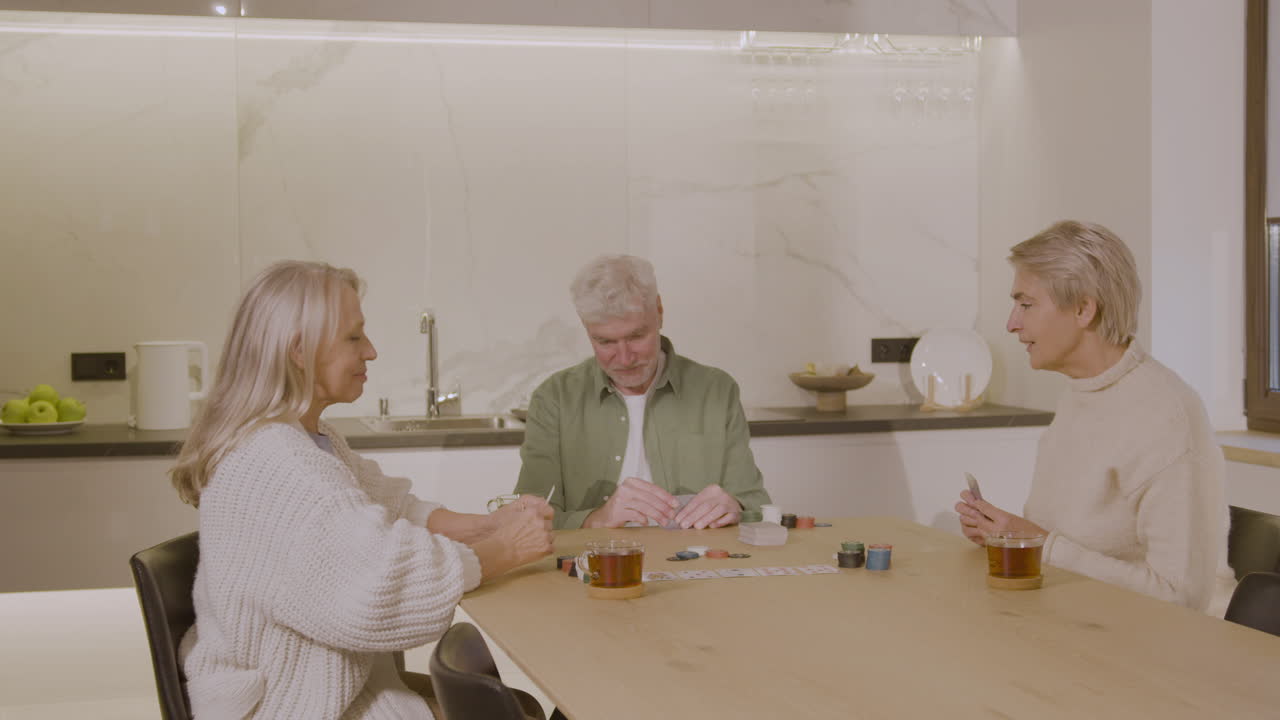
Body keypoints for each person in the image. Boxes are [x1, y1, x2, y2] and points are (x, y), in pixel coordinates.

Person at [169, 261, 554, 719]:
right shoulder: (275, 463)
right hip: (289, 705)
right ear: (299, 350)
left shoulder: (308, 439)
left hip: (328, 684)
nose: (370, 351)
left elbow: (394, 509)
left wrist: (489, 525)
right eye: (354, 337)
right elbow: (381, 582)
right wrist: (506, 549)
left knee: (516, 708)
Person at [955, 220, 1235, 613]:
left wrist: (1041, 545)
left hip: (1159, 651)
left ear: (1084, 309)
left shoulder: (1167, 416)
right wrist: (1008, 537)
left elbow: (1181, 597)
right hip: (1075, 621)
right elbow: (1072, 544)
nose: (1012, 323)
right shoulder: (1081, 394)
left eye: (1026, 304)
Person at [514, 254, 772, 530]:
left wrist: (735, 506)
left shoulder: (717, 391)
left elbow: (756, 503)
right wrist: (596, 519)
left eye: (637, 336)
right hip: (591, 567)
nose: (624, 358)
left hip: (697, 565)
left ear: (659, 311)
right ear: (584, 326)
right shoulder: (555, 398)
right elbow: (527, 518)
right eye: (605, 341)